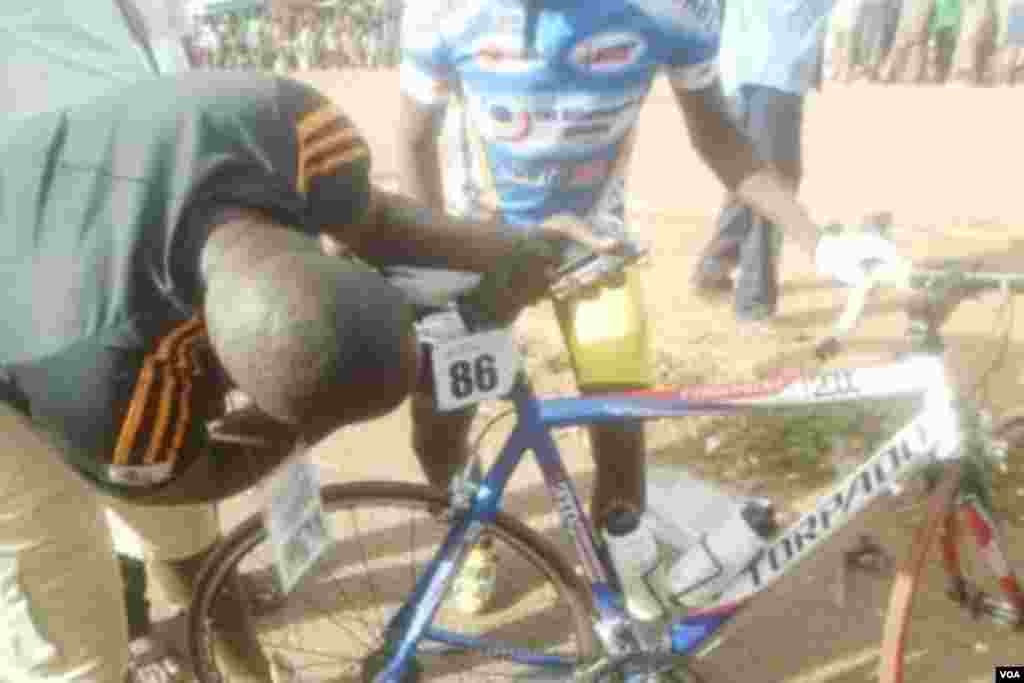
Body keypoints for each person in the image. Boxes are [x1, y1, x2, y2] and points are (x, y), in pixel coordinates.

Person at [0, 67, 599, 683]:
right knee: (75, 644)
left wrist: (515, 249)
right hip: (21, 364)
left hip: (72, 230)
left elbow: (375, 222)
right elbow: (185, 479)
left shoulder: (285, 127)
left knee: (184, 541)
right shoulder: (105, 386)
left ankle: (244, 673)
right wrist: (318, 419)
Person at [398, 0, 832, 620]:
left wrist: (819, 239)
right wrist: (440, 260)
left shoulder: (666, 11)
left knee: (621, 428)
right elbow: (413, 136)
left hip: (591, 251)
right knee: (438, 421)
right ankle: (469, 532)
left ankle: (618, 579)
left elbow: (721, 140)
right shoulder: (441, 12)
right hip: (479, 253)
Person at [693, 0, 837, 323]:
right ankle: (754, 301)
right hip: (774, 68)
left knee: (750, 176)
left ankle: (715, 266)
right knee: (774, 186)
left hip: (744, 66)